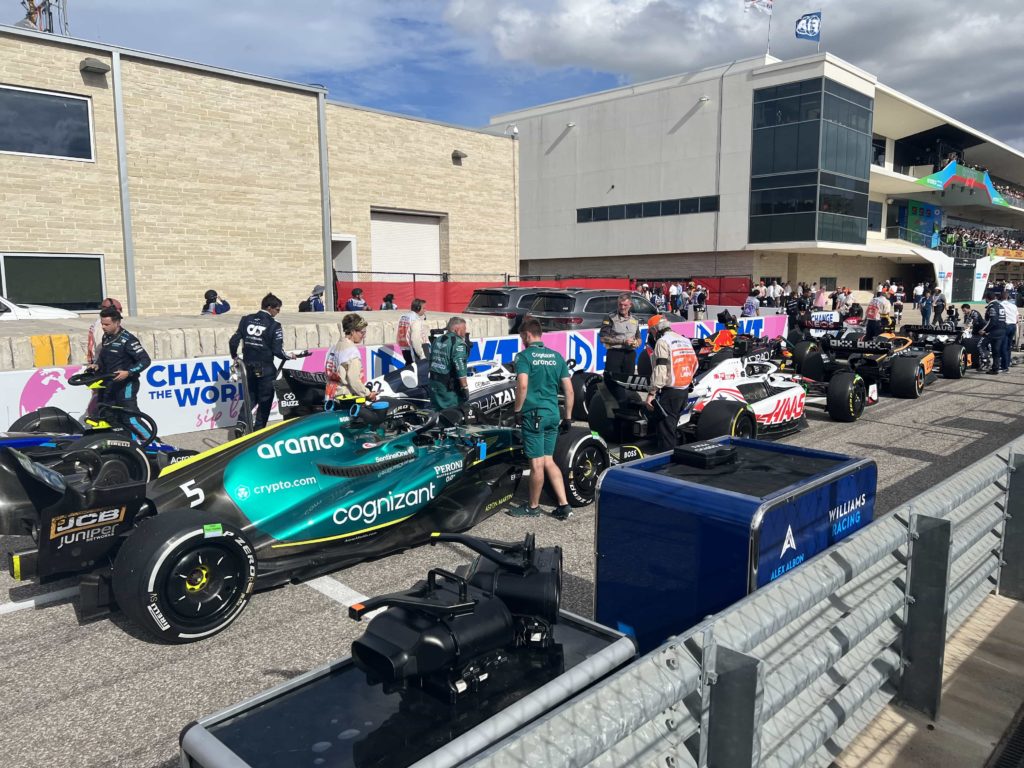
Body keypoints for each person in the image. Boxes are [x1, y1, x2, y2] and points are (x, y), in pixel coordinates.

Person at [507, 317, 575, 521]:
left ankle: (533, 507)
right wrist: (569, 417)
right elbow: (569, 390)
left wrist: (517, 410)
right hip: (554, 414)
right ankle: (564, 505)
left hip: (534, 415)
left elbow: (523, 386)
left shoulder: (524, 357)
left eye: (521, 337)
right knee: (548, 460)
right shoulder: (557, 357)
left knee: (536, 463)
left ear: (527, 335)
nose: (521, 341)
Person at [229, 293, 296, 430]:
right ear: (270, 307)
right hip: (265, 367)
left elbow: (233, 341)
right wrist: (289, 356)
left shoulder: (246, 319)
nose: (278, 312)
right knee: (266, 399)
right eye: (277, 309)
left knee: (252, 395)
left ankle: (241, 423)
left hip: (248, 364)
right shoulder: (274, 325)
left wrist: (235, 356)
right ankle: (259, 431)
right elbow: (278, 351)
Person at [89, 306, 152, 434]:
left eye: (107, 324)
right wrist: (96, 365)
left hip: (126, 385)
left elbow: (145, 360)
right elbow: (103, 357)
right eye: (102, 324)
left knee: (130, 418)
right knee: (109, 416)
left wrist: (128, 372)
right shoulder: (106, 337)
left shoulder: (128, 340)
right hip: (109, 384)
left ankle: (155, 444)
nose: (103, 327)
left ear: (117, 323)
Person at [644, 315, 698, 453]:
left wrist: (652, 392)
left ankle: (667, 465)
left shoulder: (663, 342)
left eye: (651, 332)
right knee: (672, 426)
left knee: (666, 431)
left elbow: (660, 370)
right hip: (684, 390)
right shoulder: (684, 340)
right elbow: (695, 364)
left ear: (655, 330)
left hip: (670, 392)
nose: (651, 335)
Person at [325, 314, 377, 402]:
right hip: (345, 399)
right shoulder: (351, 352)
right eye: (362, 332)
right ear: (352, 331)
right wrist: (368, 394)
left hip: (330, 395)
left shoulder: (334, 347)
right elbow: (354, 381)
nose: (364, 335)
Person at [428, 316, 470, 409]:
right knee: (452, 414)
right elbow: (460, 367)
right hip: (448, 387)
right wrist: (464, 387)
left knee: (436, 411)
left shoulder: (437, 340)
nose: (465, 331)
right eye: (464, 328)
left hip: (433, 383)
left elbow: (430, 360)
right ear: (457, 329)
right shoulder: (458, 343)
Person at [599, 293, 641, 378]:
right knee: (612, 379)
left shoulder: (635, 319)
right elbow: (603, 339)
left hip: (630, 354)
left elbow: (638, 337)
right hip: (615, 353)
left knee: (628, 380)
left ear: (630, 305)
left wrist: (637, 343)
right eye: (620, 305)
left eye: (625, 305)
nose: (622, 307)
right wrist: (623, 341)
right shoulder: (610, 317)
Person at [87, 297, 123, 364]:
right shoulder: (102, 326)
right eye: (119, 309)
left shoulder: (99, 323)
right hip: (102, 365)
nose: (120, 312)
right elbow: (101, 348)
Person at [397, 298, 430, 366]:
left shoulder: (403, 316)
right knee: (419, 373)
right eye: (423, 308)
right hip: (414, 350)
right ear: (418, 308)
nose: (425, 310)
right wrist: (421, 355)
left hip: (405, 349)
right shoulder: (415, 320)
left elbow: (398, 335)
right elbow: (415, 339)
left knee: (409, 369)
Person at [981, 294, 1007, 374]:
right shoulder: (1000, 305)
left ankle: (986, 362)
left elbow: (993, 320)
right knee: (996, 350)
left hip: (995, 330)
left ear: (987, 298)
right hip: (1002, 329)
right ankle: (995, 368)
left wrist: (984, 330)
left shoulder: (992, 306)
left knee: (981, 344)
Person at [1000, 290, 1018, 367]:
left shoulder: (1000, 305)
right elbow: (1017, 317)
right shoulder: (1014, 305)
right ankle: (1008, 362)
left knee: (1003, 346)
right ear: (1008, 297)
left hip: (1005, 326)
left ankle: (1004, 366)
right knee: (1009, 346)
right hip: (1013, 326)